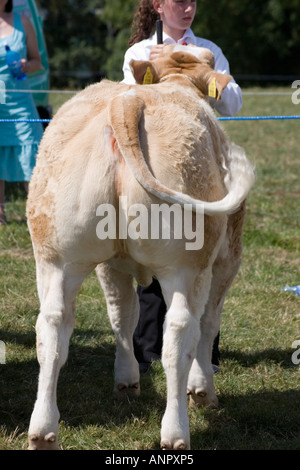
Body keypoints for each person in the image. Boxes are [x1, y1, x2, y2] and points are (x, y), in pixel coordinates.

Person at [122, 0, 242, 372]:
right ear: (159, 6)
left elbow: (234, 104)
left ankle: (203, 351)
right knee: (154, 250)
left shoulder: (209, 49)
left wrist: (201, 71)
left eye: (193, 1)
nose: (188, 7)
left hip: (200, 163)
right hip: (156, 163)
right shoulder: (140, 51)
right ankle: (147, 350)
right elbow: (125, 101)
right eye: (179, 1)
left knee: (199, 251)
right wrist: (158, 68)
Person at [0, 0, 43, 225]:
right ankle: (0, 217)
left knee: (31, 156)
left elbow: (38, 61)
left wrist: (28, 64)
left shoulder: (23, 22)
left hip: (21, 102)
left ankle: (37, 216)